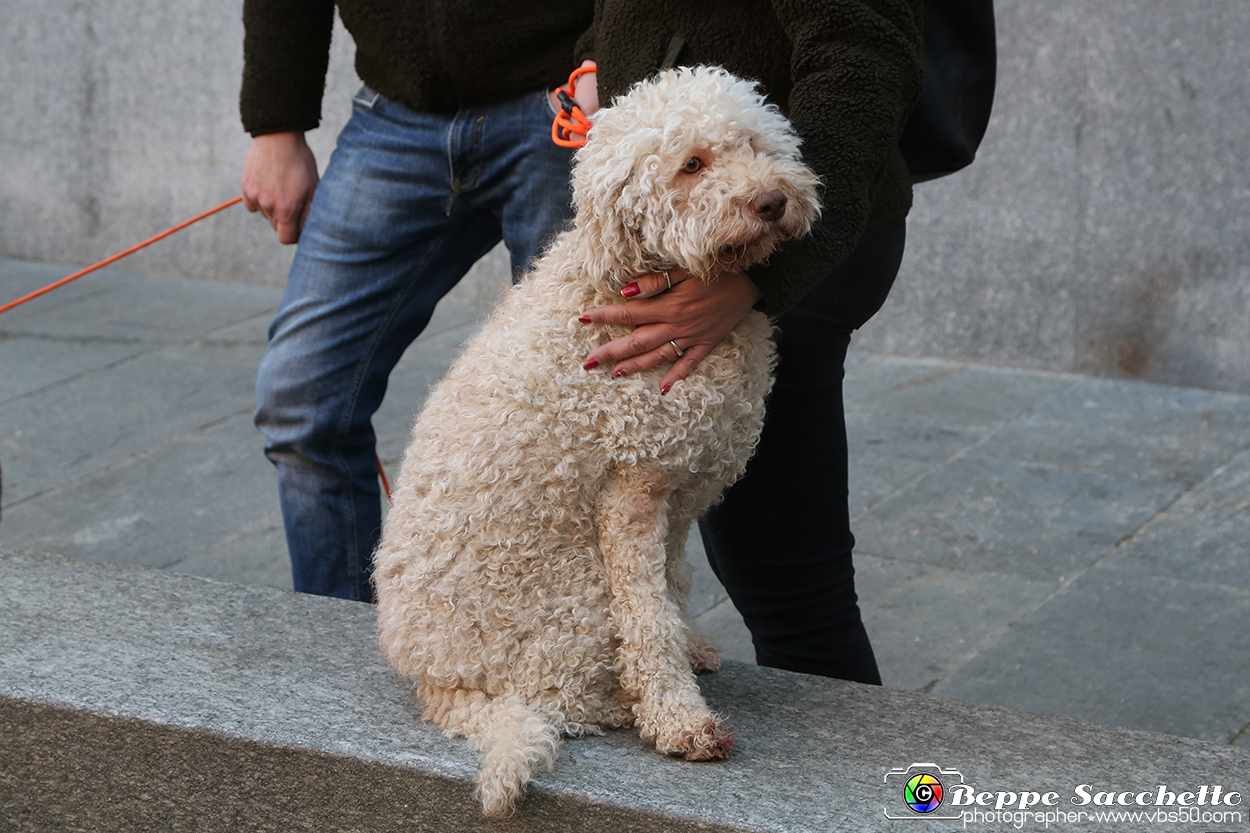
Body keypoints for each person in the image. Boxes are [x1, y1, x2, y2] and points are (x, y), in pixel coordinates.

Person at [574, 0, 926, 684]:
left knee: (788, 581)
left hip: (781, 249)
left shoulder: (760, 248)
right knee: (752, 559)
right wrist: (598, 58)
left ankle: (860, 785)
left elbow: (863, 54)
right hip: (701, 247)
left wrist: (757, 283)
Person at [240, 0, 595, 602]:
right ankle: (335, 648)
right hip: (395, 114)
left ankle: (571, 650)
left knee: (577, 416)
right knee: (301, 398)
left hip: (565, 99)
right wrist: (277, 123)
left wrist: (605, 61)